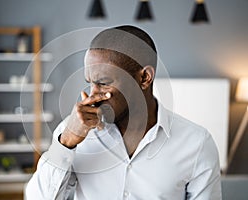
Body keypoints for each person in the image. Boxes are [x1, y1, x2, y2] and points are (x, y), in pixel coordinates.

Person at [26, 25, 222, 200]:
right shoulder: (72, 132)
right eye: (90, 82)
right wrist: (66, 143)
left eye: (103, 82)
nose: (93, 94)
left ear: (145, 77)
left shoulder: (197, 143)